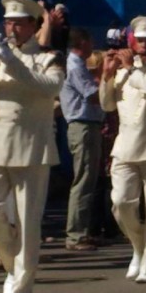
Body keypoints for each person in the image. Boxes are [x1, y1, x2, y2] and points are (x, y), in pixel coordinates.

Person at [0, 0, 65, 293]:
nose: (12, 28)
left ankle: (22, 283)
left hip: (30, 147)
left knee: (27, 220)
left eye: (19, 23)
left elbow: (49, 87)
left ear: (33, 26)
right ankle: (12, 264)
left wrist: (11, 61)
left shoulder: (49, 57)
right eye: (9, 22)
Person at [99, 16, 146, 283]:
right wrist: (107, 76)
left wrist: (131, 69)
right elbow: (107, 105)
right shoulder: (124, 71)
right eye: (140, 41)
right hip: (125, 146)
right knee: (120, 203)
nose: (144, 46)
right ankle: (138, 246)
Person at [60, 28, 105, 251]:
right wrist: (107, 77)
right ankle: (76, 234)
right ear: (83, 41)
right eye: (90, 41)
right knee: (83, 179)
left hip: (87, 125)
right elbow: (93, 95)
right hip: (83, 125)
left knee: (88, 178)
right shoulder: (75, 66)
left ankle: (83, 230)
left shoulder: (78, 65)